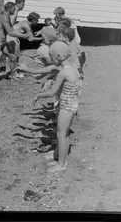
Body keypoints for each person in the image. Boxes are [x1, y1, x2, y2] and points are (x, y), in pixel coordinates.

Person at [33, 41, 82, 172]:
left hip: (67, 107)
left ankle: (61, 163)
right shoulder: (72, 67)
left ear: (59, 56)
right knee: (62, 132)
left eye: (52, 57)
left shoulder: (63, 72)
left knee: (62, 134)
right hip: (68, 104)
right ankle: (56, 154)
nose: (50, 59)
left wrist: (39, 95)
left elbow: (52, 92)